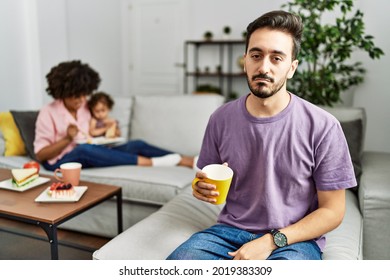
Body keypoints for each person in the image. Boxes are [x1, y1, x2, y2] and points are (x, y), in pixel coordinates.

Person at [166, 10, 356, 260]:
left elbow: (333, 211)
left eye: (276, 58)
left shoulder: (324, 126)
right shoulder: (220, 119)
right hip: (227, 233)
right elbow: (209, 179)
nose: (263, 67)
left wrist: (271, 241)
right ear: (245, 60)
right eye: (256, 55)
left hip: (293, 240)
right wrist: (200, 188)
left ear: (292, 68)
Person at [34, 60, 195, 171]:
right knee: (84, 149)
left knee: (135, 144)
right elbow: (41, 154)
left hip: (93, 150)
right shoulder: (48, 112)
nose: (82, 100)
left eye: (85, 95)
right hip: (60, 162)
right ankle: (151, 163)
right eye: (77, 96)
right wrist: (67, 139)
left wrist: (110, 129)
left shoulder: (85, 106)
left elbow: (96, 128)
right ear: (63, 92)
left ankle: (187, 160)